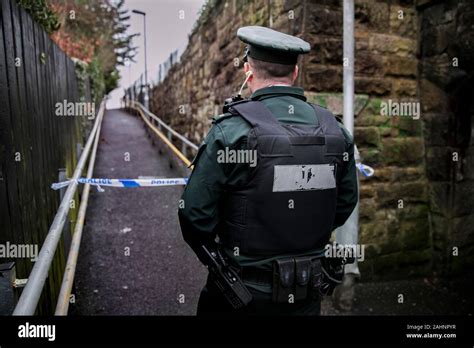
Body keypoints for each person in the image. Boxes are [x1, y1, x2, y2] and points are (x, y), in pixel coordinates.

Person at [178, 25, 358, 315]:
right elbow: (345, 202)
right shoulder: (336, 133)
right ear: (295, 73)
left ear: (247, 71)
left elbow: (194, 214)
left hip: (241, 295)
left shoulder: (232, 132)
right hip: (306, 295)